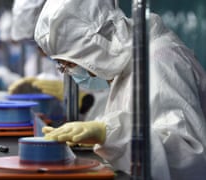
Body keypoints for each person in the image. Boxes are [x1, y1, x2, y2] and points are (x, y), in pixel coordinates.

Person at [34, 0, 206, 180]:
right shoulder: (128, 63)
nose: (72, 72)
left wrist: (108, 133)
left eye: (70, 64)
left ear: (93, 49)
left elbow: (189, 157)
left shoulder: (161, 62)